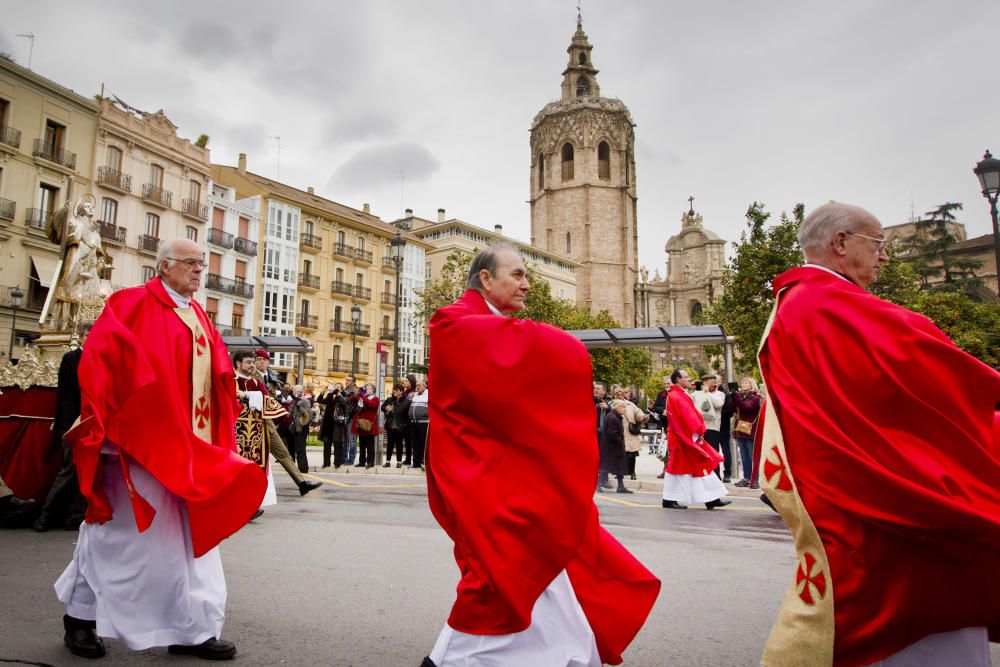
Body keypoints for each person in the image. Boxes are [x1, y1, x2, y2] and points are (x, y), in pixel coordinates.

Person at [756, 202, 1000, 665]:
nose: (884, 257)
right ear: (841, 242)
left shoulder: (802, 303)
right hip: (886, 497)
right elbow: (932, 372)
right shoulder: (832, 304)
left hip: (852, 487)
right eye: (878, 244)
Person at [424, 244, 659, 666]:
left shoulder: (488, 326)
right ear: (485, 279)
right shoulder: (453, 322)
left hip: (511, 478)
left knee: (539, 567)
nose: (527, 284)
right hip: (482, 480)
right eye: (516, 275)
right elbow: (526, 351)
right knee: (499, 575)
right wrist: (564, 347)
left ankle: (561, 653)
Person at [54, 238, 267, 660]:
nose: (198, 271)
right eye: (190, 263)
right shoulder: (130, 304)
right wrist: (125, 420)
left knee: (190, 541)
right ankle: (80, 618)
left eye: (201, 265)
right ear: (164, 266)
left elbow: (215, 369)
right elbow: (101, 361)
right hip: (139, 445)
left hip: (191, 448)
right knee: (116, 537)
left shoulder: (197, 314)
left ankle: (192, 629)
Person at [34, 323, 91, 532]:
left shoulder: (96, 358)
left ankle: (75, 517)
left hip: (88, 422)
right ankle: (45, 515)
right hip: (71, 422)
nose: (91, 338)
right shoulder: (71, 358)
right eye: (88, 335)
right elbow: (80, 384)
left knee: (87, 470)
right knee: (69, 469)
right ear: (81, 337)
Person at [249, 351, 321, 495]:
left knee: (283, 453)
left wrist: (283, 400)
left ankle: (301, 483)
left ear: (269, 362)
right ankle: (250, 492)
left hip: (268, 423)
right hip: (254, 424)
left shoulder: (271, 377)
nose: (261, 362)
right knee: (252, 459)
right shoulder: (252, 377)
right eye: (258, 359)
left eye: (264, 360)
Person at [661, 369, 731, 510]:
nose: (689, 379)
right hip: (683, 437)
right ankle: (669, 498)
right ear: (678, 380)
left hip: (686, 436)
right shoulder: (676, 396)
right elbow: (686, 416)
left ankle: (711, 498)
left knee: (698, 466)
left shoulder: (678, 395)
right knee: (680, 468)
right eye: (686, 377)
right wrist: (698, 429)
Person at [691, 374, 726, 480]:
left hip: (712, 427)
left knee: (712, 451)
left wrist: (706, 393)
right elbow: (691, 403)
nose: (706, 384)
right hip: (699, 427)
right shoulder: (697, 394)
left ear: (714, 383)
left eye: (708, 381)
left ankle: (715, 475)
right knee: (700, 452)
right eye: (704, 381)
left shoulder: (719, 394)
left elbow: (718, 404)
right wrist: (693, 390)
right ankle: (702, 473)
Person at [732, 378, 761, 488]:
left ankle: (755, 479)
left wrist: (736, 397)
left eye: (746, 382)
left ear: (752, 385)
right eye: (742, 382)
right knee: (743, 457)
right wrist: (733, 398)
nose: (743, 384)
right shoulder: (739, 396)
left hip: (751, 430)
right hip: (741, 430)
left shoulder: (755, 397)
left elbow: (747, 407)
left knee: (752, 456)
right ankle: (746, 478)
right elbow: (732, 409)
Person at [599, 400, 633, 494]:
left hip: (613, 447)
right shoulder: (613, 417)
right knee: (607, 467)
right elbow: (612, 434)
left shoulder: (614, 416)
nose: (625, 409)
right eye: (623, 407)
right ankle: (598, 484)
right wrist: (620, 442)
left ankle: (621, 486)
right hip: (612, 448)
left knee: (617, 467)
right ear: (618, 407)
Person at [318, 383, 349, 468]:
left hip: (337, 423)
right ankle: (326, 462)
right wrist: (322, 392)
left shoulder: (343, 396)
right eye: (335, 387)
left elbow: (344, 403)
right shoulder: (330, 395)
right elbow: (320, 400)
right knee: (326, 444)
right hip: (328, 423)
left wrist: (338, 394)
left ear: (342, 389)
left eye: (338, 388)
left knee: (337, 445)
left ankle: (337, 463)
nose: (336, 389)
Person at [351, 383, 380, 468]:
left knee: (370, 446)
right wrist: (357, 392)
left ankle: (370, 462)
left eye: (368, 388)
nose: (366, 390)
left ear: (372, 390)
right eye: (365, 388)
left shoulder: (375, 398)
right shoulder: (361, 398)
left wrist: (363, 396)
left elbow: (371, 405)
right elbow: (351, 399)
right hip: (361, 424)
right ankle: (362, 462)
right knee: (362, 445)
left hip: (369, 425)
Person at [287, 385, 311, 474]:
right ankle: (292, 467)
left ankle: (303, 468)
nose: (292, 391)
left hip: (301, 428)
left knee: (300, 449)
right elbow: (289, 413)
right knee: (291, 448)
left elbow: (308, 415)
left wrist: (299, 405)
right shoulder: (293, 400)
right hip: (293, 428)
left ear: (298, 391)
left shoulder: (305, 401)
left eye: (293, 389)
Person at [381, 384, 406, 467]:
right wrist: (386, 408)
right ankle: (388, 461)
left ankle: (399, 462)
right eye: (394, 390)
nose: (394, 391)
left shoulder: (405, 401)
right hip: (390, 426)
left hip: (400, 426)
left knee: (399, 445)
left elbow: (407, 414)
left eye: (397, 390)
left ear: (401, 391)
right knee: (390, 444)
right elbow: (382, 407)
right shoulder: (390, 399)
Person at [408, 381, 429, 469]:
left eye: (419, 385)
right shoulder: (415, 395)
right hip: (413, 422)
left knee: (423, 443)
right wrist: (409, 398)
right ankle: (416, 463)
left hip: (423, 423)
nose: (417, 387)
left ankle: (423, 462)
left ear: (424, 386)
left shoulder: (429, 395)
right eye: (416, 385)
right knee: (415, 443)